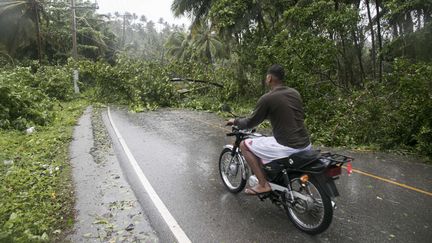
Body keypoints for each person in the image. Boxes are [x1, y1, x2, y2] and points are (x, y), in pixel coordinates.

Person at [226, 64, 311, 195]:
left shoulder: (268, 98)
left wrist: (235, 121)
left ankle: (263, 184)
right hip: (305, 143)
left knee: (244, 145)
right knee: (265, 139)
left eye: (267, 76)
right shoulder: (295, 93)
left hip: (288, 146)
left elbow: (250, 122)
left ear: (269, 78)